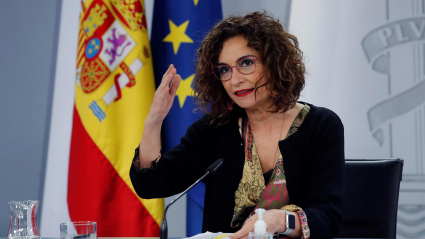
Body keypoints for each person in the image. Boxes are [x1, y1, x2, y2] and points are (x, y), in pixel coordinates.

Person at [130, 12, 344, 239]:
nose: (235, 79)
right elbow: (150, 185)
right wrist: (153, 123)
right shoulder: (215, 129)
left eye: (246, 63)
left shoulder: (321, 126)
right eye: (224, 69)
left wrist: (281, 220)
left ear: (275, 62)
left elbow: (328, 216)